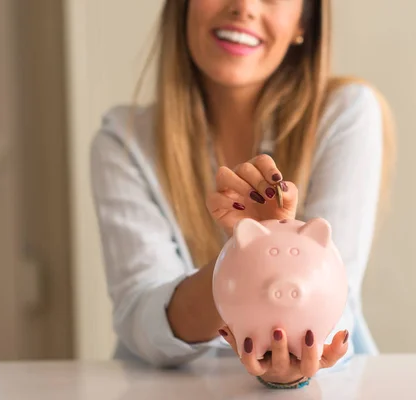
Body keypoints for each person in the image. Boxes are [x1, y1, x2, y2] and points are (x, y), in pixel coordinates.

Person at [90, 0, 394, 390]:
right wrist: (253, 260)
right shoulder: (123, 142)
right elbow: (143, 323)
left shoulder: (346, 112)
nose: (244, 7)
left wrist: (267, 257)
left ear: (304, 21)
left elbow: (336, 304)